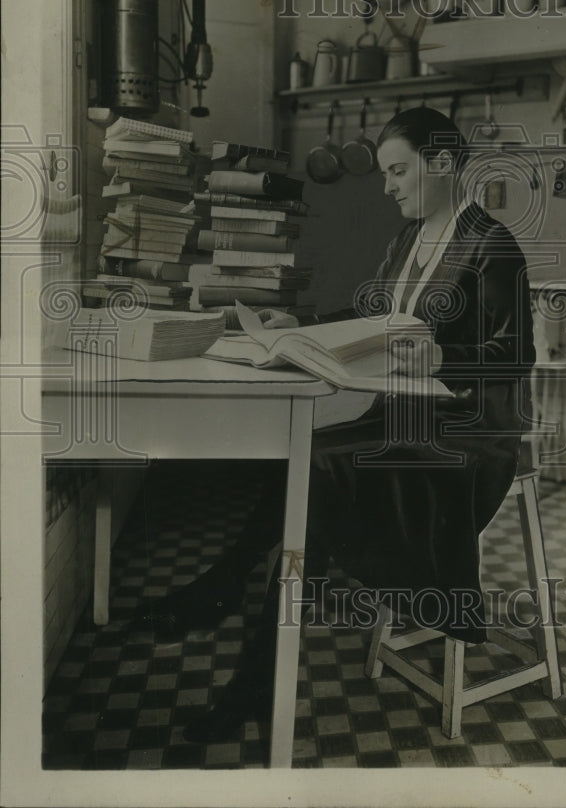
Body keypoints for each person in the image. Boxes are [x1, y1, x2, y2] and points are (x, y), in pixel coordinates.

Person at [132, 106, 536, 744]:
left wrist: (447, 355)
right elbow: (374, 311)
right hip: (403, 416)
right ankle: (242, 634)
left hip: (469, 433)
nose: (388, 185)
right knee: (308, 451)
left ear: (443, 165)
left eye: (399, 170)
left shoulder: (492, 243)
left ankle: (238, 635)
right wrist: (305, 325)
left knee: (318, 470)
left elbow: (517, 355)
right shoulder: (409, 239)